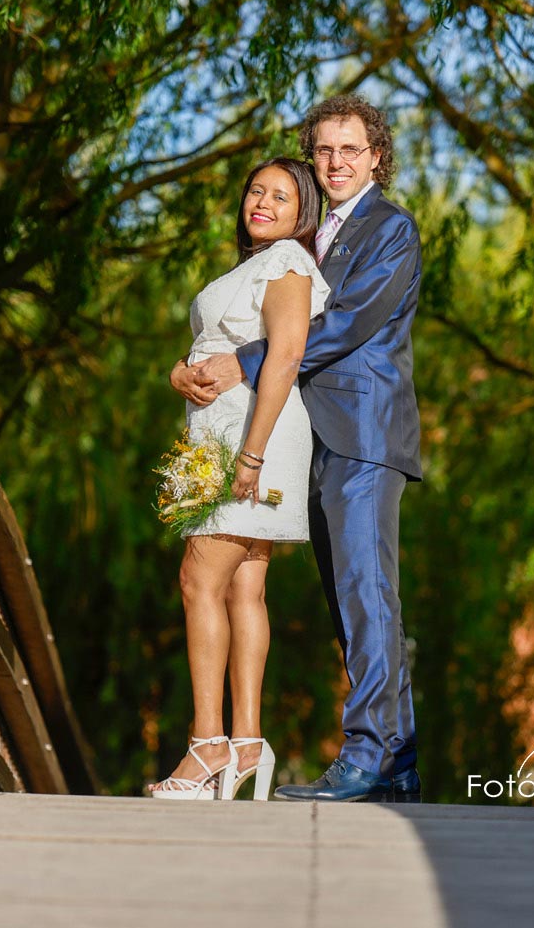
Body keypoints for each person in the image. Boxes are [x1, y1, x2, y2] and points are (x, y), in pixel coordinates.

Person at [183, 95, 424, 802]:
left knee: (367, 595)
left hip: (364, 435)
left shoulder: (390, 230)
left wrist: (246, 363)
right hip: (318, 439)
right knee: (356, 600)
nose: (336, 162)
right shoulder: (317, 241)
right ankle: (397, 761)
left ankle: (368, 754)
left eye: (351, 149)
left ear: (376, 155)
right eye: (324, 150)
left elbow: (342, 324)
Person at [150, 156, 331, 801]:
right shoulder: (253, 266)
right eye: (257, 190)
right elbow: (211, 349)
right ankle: (247, 743)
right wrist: (179, 373)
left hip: (250, 438)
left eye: (281, 196)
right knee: (243, 590)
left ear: (301, 213)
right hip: (224, 434)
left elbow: (285, 355)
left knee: (200, 578)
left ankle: (206, 747)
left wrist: (249, 457)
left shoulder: (287, 263)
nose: (263, 202)